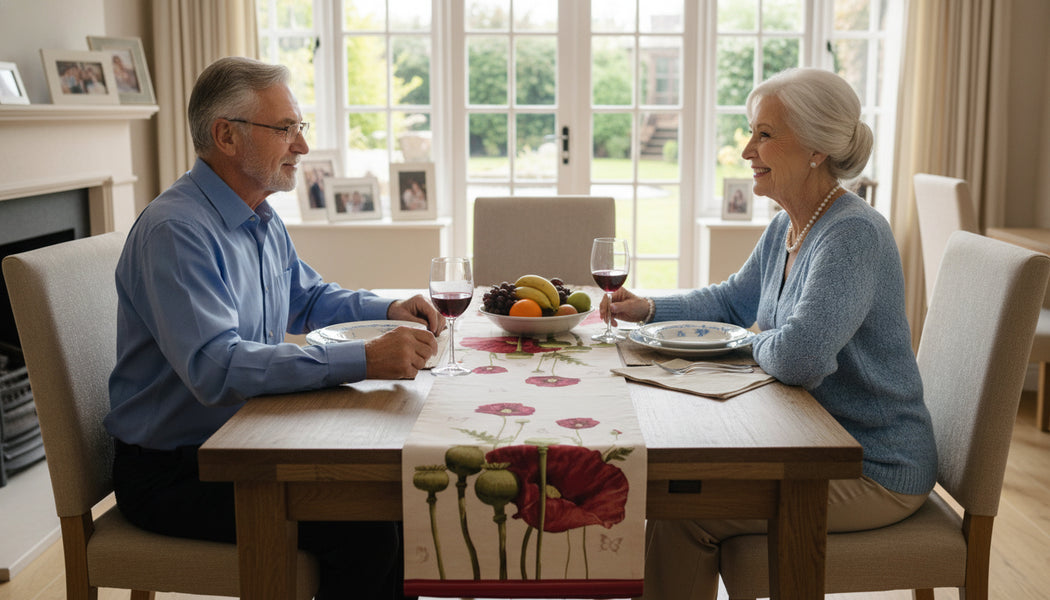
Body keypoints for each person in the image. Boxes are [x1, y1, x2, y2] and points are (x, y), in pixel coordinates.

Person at [104, 56, 444, 600]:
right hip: (177, 471)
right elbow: (216, 368)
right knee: (368, 534)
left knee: (392, 501)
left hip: (251, 438)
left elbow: (307, 299)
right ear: (226, 136)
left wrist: (391, 309)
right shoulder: (176, 231)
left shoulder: (258, 215)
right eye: (285, 129)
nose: (302, 146)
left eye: (299, 127)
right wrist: (365, 358)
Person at [603, 68, 938, 600]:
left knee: (687, 512)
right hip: (809, 442)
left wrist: (743, 341)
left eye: (764, 134)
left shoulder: (852, 234)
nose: (746, 151)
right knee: (679, 496)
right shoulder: (790, 223)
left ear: (815, 149)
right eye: (750, 133)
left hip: (872, 465)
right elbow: (731, 302)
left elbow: (799, 357)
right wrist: (648, 309)